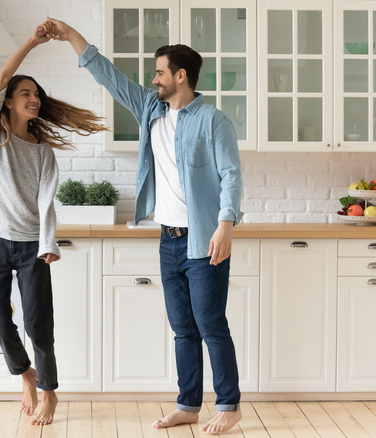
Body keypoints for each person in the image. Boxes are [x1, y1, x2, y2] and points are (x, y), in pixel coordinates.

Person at [44, 19, 244, 434]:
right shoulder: (151, 109)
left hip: (204, 238)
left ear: (180, 76)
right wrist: (69, 36)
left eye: (159, 72)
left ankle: (229, 405)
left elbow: (231, 175)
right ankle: (188, 404)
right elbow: (107, 75)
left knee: (211, 324)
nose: (154, 79)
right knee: (182, 328)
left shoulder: (212, 120)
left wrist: (226, 225)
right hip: (168, 239)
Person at [0, 23, 108, 426]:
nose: (34, 98)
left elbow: (46, 203)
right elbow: (3, 77)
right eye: (26, 93)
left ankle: (49, 392)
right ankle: (24, 373)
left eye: (37, 94)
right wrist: (33, 42)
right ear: (7, 103)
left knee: (38, 322)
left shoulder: (43, 152)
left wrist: (48, 243)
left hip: (29, 245)